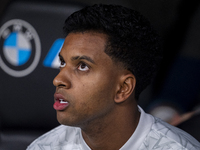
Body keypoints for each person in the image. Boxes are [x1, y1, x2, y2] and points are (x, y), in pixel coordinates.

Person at [27, 4, 200, 150]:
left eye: (82, 66)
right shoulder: (44, 147)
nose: (58, 80)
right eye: (63, 63)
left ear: (123, 88)